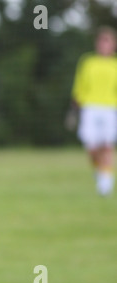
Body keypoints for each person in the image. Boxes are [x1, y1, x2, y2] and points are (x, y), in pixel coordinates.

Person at [71, 26, 117, 196]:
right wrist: (76, 103)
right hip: (90, 107)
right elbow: (80, 84)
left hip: (111, 107)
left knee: (107, 145)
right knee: (92, 146)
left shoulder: (115, 64)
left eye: (108, 42)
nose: (104, 45)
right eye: (102, 41)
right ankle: (100, 171)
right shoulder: (88, 62)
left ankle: (106, 182)